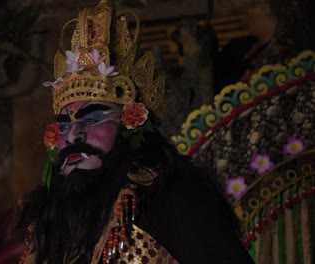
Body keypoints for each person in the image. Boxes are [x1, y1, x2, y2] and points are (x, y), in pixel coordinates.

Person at [19, 1, 254, 263]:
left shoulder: (166, 199)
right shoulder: (51, 225)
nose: (73, 136)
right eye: (64, 126)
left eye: (93, 119)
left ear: (131, 123)